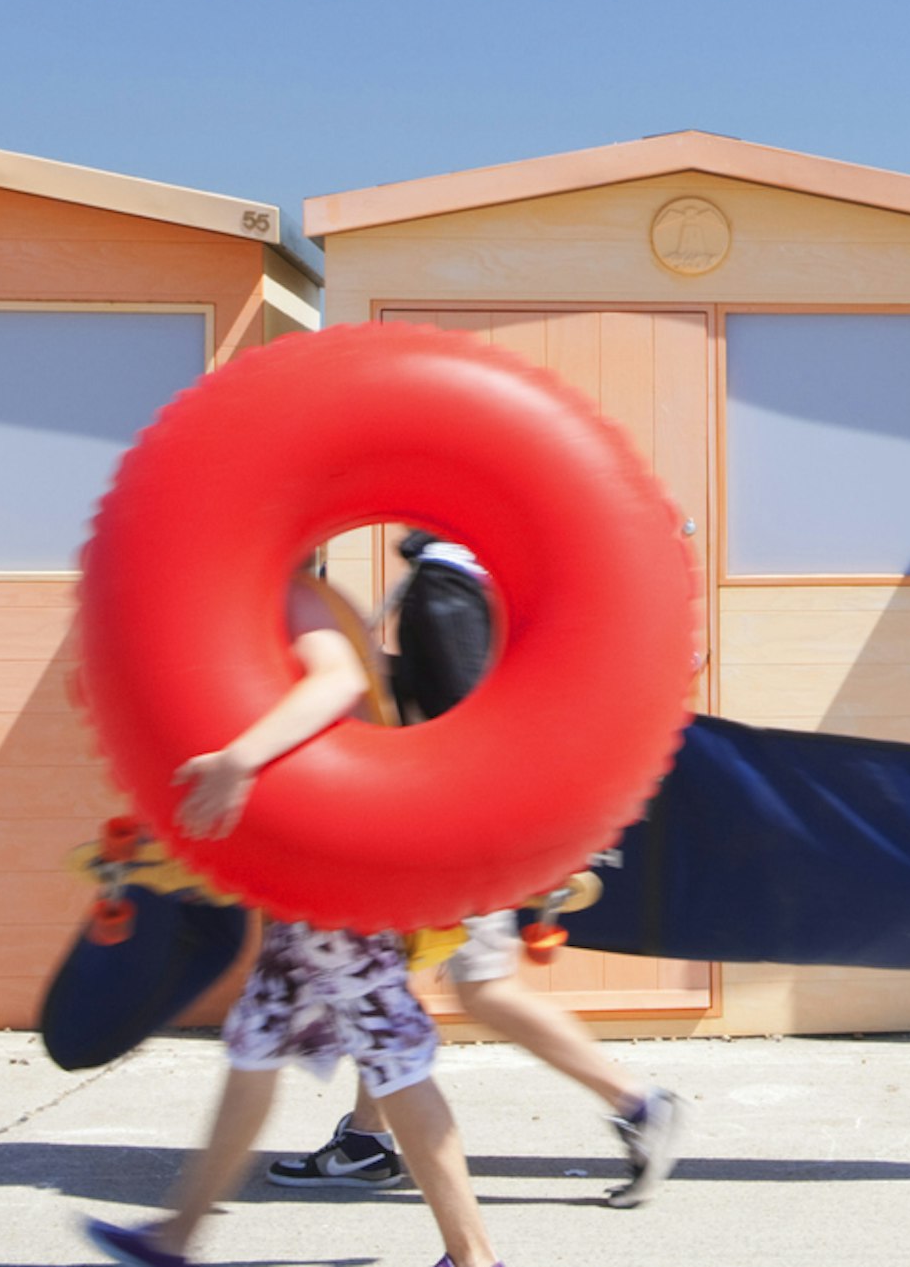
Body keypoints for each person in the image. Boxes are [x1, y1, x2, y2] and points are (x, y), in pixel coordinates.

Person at [82, 568, 507, 1267]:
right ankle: (174, 1236)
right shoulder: (271, 599)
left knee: (390, 1047)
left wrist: (238, 761)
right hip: (310, 874)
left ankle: (474, 1257)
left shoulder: (291, 593)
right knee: (257, 1040)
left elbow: (335, 679)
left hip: (337, 868)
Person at [267, 532, 687, 1210]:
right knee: (390, 979)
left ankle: (637, 1102)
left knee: (484, 987)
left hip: (458, 827)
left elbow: (466, 713)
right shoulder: (472, 582)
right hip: (453, 822)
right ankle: (367, 1140)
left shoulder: (445, 589)